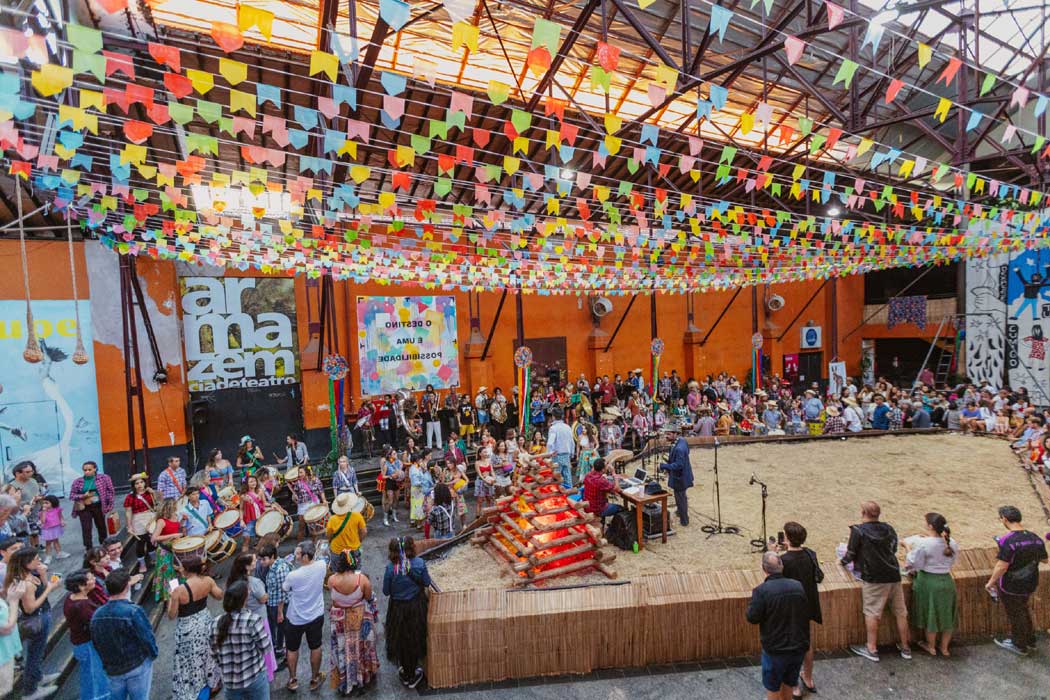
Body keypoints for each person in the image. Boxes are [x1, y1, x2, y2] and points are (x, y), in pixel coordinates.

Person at [840, 501, 910, 661]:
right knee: (901, 612)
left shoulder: (858, 530)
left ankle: (871, 648)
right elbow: (893, 549)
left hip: (874, 577)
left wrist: (842, 562)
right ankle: (906, 647)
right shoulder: (889, 528)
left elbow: (850, 553)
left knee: (872, 612)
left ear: (863, 513)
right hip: (893, 573)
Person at [746, 552, 810, 700]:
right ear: (781, 566)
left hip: (776, 649)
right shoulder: (797, 586)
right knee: (788, 683)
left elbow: (752, 617)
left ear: (764, 568)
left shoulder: (761, 591)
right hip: (797, 645)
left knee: (773, 687)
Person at [986, 505, 1048, 655]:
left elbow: (1002, 566)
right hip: (1030, 582)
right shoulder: (1035, 538)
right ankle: (1030, 640)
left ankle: (1019, 644)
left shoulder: (1008, 540)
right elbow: (1045, 560)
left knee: (1015, 613)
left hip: (1011, 585)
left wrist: (991, 582)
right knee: (1023, 609)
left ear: (1004, 519)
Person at [92, 570, 157, 699]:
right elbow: (146, 637)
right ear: (127, 587)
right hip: (136, 665)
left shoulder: (97, 615)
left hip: (113, 669)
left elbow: (97, 642)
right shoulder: (133, 611)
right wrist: (153, 653)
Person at [6, 548, 61, 699]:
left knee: (38, 651)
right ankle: (30, 691)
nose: (39, 560)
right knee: (34, 655)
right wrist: (48, 589)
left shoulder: (30, 575)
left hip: (42, 615)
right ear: (26, 563)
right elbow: (30, 608)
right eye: (36, 559)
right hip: (36, 619)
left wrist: (44, 577)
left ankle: (38, 677)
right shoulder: (25, 583)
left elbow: (43, 587)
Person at [167, 556, 223, 699]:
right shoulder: (208, 581)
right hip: (204, 620)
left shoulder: (179, 590)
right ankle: (213, 683)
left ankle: (194, 689)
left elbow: (172, 615)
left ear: (186, 570)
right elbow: (219, 596)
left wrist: (171, 598)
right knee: (208, 653)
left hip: (187, 627)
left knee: (189, 659)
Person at [777, 522, 822, 699]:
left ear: (787, 538)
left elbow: (775, 578)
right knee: (806, 642)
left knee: (791, 645)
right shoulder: (811, 554)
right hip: (808, 603)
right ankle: (808, 678)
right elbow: (819, 576)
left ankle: (794, 684)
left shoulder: (784, 560)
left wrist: (774, 552)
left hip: (791, 607)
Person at [904, 512, 958, 657]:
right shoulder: (952, 542)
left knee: (931, 616)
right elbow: (952, 560)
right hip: (947, 581)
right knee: (948, 616)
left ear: (930, 526)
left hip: (928, 582)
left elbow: (914, 562)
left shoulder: (924, 543)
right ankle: (944, 648)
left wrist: (907, 547)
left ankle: (931, 646)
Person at [383, 537, 434, 689]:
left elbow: (386, 591)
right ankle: (412, 674)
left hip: (397, 608)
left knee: (401, 639)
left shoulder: (390, 568)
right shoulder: (419, 563)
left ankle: (406, 671)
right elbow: (426, 582)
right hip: (416, 606)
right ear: (412, 547)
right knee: (414, 637)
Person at [329, 551, 380, 695]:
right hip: (359, 618)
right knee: (361, 648)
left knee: (342, 648)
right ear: (353, 562)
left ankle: (345, 678)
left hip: (339, 620)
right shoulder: (362, 579)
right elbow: (368, 597)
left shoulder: (332, 580)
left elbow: (334, 601)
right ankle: (362, 675)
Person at [210, 580, 273, 700]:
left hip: (231, 683)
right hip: (255, 677)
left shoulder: (215, 623)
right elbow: (266, 648)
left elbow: (214, 654)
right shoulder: (253, 620)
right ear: (244, 599)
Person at [282, 541, 327, 692]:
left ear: (306, 556)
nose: (295, 556)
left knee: (292, 649)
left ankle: (293, 679)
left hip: (296, 618)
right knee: (315, 646)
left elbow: (285, 589)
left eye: (298, 554)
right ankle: (314, 679)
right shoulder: (321, 566)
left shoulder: (293, 575)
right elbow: (322, 556)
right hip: (316, 614)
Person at [229, 553, 277, 682]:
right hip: (259, 618)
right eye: (254, 561)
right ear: (247, 566)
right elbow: (263, 599)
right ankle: (268, 673)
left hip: (242, 618)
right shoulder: (254, 582)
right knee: (264, 646)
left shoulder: (233, 580)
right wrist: (268, 593)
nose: (257, 562)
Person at [62, 570, 108, 700]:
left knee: (89, 677)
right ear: (81, 586)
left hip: (81, 643)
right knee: (96, 679)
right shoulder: (82, 606)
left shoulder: (72, 598)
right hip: (87, 644)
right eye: (90, 579)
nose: (94, 579)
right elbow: (95, 624)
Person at [68, 461, 115, 550]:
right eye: (85, 470)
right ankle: (88, 548)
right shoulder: (78, 482)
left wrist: (110, 504)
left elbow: (110, 491)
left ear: (95, 469)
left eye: (89, 469)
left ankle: (104, 545)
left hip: (98, 505)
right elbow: (72, 495)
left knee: (101, 526)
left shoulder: (104, 478)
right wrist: (82, 496)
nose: (87, 472)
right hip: (84, 507)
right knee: (86, 528)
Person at [257, 542, 289, 664]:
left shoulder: (280, 569)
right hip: (272, 603)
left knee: (281, 628)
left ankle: (281, 649)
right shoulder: (271, 566)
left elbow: (283, 592)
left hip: (278, 605)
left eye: (264, 559)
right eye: (260, 559)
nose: (261, 562)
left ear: (273, 557)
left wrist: (280, 612)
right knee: (276, 627)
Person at [658, 427, 694, 526]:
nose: (666, 436)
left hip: (680, 478)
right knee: (681, 497)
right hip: (683, 475)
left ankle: (684, 520)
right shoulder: (682, 440)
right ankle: (680, 511)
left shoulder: (679, 448)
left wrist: (664, 466)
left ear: (675, 434)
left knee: (680, 498)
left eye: (669, 434)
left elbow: (679, 465)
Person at [150, 498, 182, 602]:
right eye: (174, 505)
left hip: (176, 547)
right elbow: (155, 537)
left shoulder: (176, 516)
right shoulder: (161, 521)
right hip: (165, 550)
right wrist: (173, 535)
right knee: (168, 572)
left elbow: (175, 528)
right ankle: (170, 594)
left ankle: (178, 591)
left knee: (178, 571)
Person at [123, 473, 157, 575]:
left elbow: (157, 503)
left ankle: (153, 558)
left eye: (141, 482)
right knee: (141, 542)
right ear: (133, 485)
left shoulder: (149, 493)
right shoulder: (130, 497)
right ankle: (142, 563)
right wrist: (129, 526)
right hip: (137, 519)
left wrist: (153, 493)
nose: (139, 485)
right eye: (137, 483)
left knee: (151, 539)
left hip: (150, 517)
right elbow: (128, 512)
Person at [287, 466, 326, 540]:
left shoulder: (315, 480)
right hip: (303, 505)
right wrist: (294, 494)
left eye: (301, 472)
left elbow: (321, 491)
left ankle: (314, 544)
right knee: (301, 526)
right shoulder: (297, 482)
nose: (299, 474)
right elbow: (288, 483)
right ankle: (298, 546)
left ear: (306, 472)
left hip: (314, 503)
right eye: (298, 473)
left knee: (313, 527)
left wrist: (324, 500)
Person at [9, 462, 42, 547]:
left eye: (31, 471)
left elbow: (39, 493)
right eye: (27, 472)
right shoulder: (13, 486)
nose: (31, 473)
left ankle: (37, 548)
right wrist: (27, 503)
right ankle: (32, 552)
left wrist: (39, 498)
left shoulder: (33, 481)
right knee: (28, 533)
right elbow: (12, 503)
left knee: (36, 532)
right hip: (24, 514)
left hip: (36, 512)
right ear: (18, 473)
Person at [327, 493, 368, 563]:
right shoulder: (357, 516)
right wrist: (359, 540)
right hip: (354, 549)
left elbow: (329, 536)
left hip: (337, 550)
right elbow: (364, 532)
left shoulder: (332, 519)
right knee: (355, 570)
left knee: (338, 571)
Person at [0, 571, 23, 697]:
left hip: (6, 651)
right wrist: (14, 601)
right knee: (4, 689)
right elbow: (6, 628)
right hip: (2, 656)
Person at [546, 408, 575, 488]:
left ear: (553, 417)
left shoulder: (553, 428)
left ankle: (560, 497)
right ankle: (570, 495)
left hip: (557, 456)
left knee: (557, 478)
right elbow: (572, 442)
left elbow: (550, 443)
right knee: (567, 477)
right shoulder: (567, 427)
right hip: (566, 455)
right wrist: (572, 454)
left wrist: (550, 453)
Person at [379, 447, 405, 527]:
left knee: (396, 499)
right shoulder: (386, 464)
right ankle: (385, 518)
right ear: (390, 455)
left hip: (397, 482)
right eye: (394, 454)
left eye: (396, 453)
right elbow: (383, 476)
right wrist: (391, 476)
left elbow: (401, 468)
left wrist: (400, 472)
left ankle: (394, 515)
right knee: (390, 500)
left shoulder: (398, 462)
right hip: (389, 482)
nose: (396, 455)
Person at [38, 495, 67, 564]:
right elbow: (43, 521)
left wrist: (62, 521)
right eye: (44, 503)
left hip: (55, 527)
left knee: (56, 541)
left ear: (53, 503)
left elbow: (60, 516)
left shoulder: (57, 509)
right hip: (47, 529)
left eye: (47, 503)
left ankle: (59, 553)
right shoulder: (42, 512)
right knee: (48, 543)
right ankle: (48, 556)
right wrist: (44, 512)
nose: (44, 504)